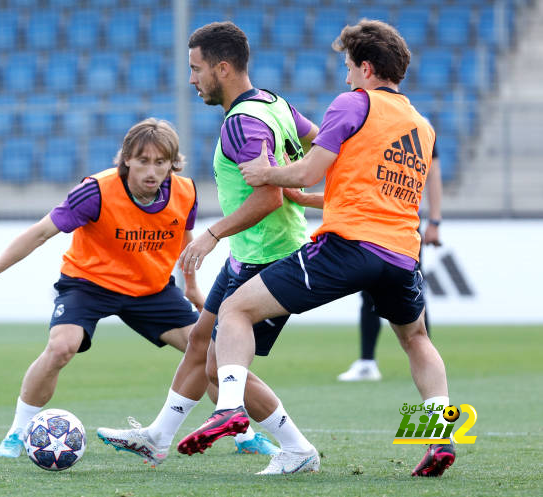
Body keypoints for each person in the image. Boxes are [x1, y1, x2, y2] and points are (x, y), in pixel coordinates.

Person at [181, 20, 457, 478]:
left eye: (349, 68)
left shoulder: (354, 103)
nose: (346, 77)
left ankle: (229, 408)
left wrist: (267, 175)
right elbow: (359, 188)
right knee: (417, 340)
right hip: (402, 254)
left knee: (234, 309)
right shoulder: (421, 127)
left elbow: (310, 170)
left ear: (367, 68)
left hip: (348, 246)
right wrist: (302, 196)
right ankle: (438, 439)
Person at [97, 22, 320, 471]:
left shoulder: (240, 124)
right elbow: (317, 142)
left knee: (221, 369)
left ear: (222, 68)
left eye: (196, 69)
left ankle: (298, 450)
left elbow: (267, 195)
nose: (192, 79)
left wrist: (213, 233)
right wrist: (306, 187)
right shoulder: (274, 103)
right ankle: (157, 438)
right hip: (251, 254)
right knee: (199, 340)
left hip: (270, 256)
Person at [0, 118, 205, 459]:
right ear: (127, 161)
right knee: (62, 347)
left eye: (161, 162)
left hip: (151, 288)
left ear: (172, 164)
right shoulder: (96, 191)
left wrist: (192, 288)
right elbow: (40, 232)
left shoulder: (186, 192)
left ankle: (242, 432)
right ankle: (18, 433)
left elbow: (185, 241)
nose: (152, 171)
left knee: (208, 351)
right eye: (143, 161)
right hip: (90, 283)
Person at [339, 148, 442, 382]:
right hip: (372, 223)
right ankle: (367, 362)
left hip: (403, 226)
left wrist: (434, 220)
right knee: (369, 292)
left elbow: (434, 174)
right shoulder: (377, 120)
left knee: (413, 293)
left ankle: (426, 361)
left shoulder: (419, 125)